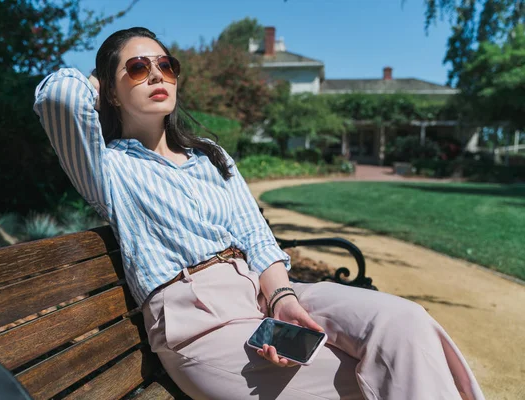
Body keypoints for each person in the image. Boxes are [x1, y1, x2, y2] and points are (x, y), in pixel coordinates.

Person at [34, 27, 485, 400]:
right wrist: (100, 79)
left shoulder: (210, 157)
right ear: (111, 90)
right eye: (137, 68)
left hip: (260, 292)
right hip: (200, 325)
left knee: (405, 324)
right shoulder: (108, 168)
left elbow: (255, 235)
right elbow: (58, 98)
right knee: (375, 374)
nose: (157, 74)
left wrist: (283, 298)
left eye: (166, 65)